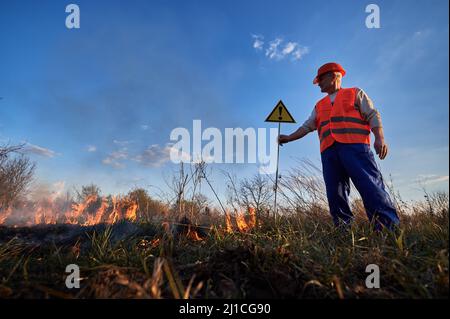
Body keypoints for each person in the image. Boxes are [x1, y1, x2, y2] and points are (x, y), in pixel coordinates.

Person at [278, 62, 400, 230]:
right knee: (336, 194)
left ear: (334, 76)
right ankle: (343, 231)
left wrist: (379, 138)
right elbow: (307, 126)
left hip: (356, 148)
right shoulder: (319, 105)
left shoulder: (355, 93)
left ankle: (387, 230)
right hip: (329, 152)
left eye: (320, 79)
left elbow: (372, 114)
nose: (318, 83)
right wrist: (289, 138)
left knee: (370, 186)